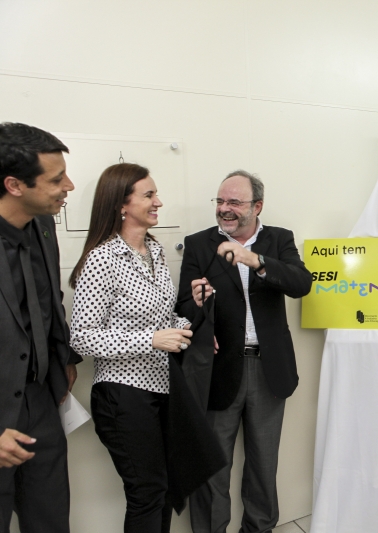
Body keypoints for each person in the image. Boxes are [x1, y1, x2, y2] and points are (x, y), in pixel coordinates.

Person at [176, 170, 312, 533]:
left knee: (264, 464)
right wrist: (198, 313)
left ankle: (259, 528)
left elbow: (301, 284)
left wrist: (255, 261)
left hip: (269, 370)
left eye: (233, 202)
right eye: (220, 202)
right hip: (218, 369)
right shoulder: (199, 243)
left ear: (257, 206)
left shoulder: (279, 239)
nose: (224, 209)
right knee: (213, 467)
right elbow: (184, 304)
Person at [70, 163, 193, 533]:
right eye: (149, 195)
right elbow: (81, 336)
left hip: (163, 388)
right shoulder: (102, 258)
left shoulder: (154, 252)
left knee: (165, 489)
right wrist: (151, 339)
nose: (159, 201)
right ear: (121, 204)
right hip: (123, 394)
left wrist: (190, 325)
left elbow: (163, 315)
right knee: (147, 491)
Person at [0, 123, 80, 533]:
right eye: (55, 179)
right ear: (14, 184)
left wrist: (61, 356)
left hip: (42, 402)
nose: (68, 185)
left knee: (49, 521)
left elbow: (50, 303)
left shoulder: (44, 226)